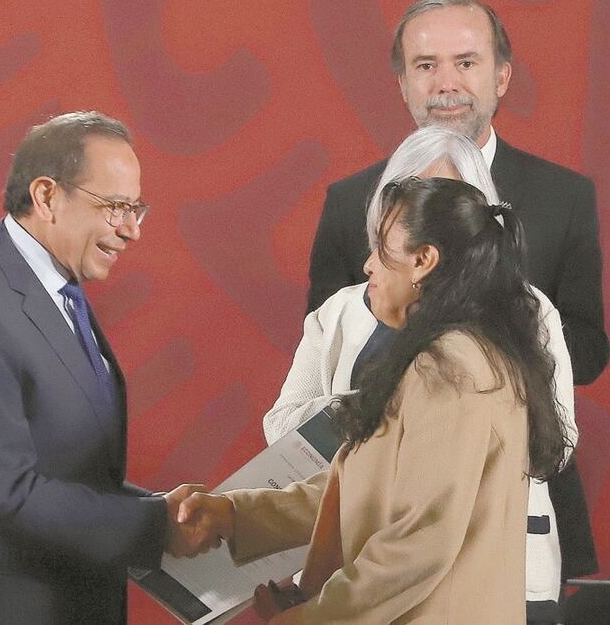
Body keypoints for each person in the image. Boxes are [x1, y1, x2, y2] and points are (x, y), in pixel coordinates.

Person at [306, 0, 602, 581]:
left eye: (466, 63)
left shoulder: (563, 196)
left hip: (521, 514)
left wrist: (490, 338)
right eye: (425, 65)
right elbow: (324, 352)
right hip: (380, 517)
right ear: (402, 84)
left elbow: (591, 347)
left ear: (502, 77)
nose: (446, 83)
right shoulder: (348, 203)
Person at [184, 176, 570, 622]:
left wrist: (306, 619)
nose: (368, 266)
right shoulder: (464, 354)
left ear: (423, 261)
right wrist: (235, 515)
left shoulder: (449, 368)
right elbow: (366, 488)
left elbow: (420, 541)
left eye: (382, 248)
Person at [0, 112, 201, 623]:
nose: (131, 230)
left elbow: (68, 469)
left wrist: (164, 509)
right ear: (46, 197)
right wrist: (153, 525)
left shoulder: (57, 290)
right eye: (115, 208)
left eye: (137, 209)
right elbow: (1, 495)